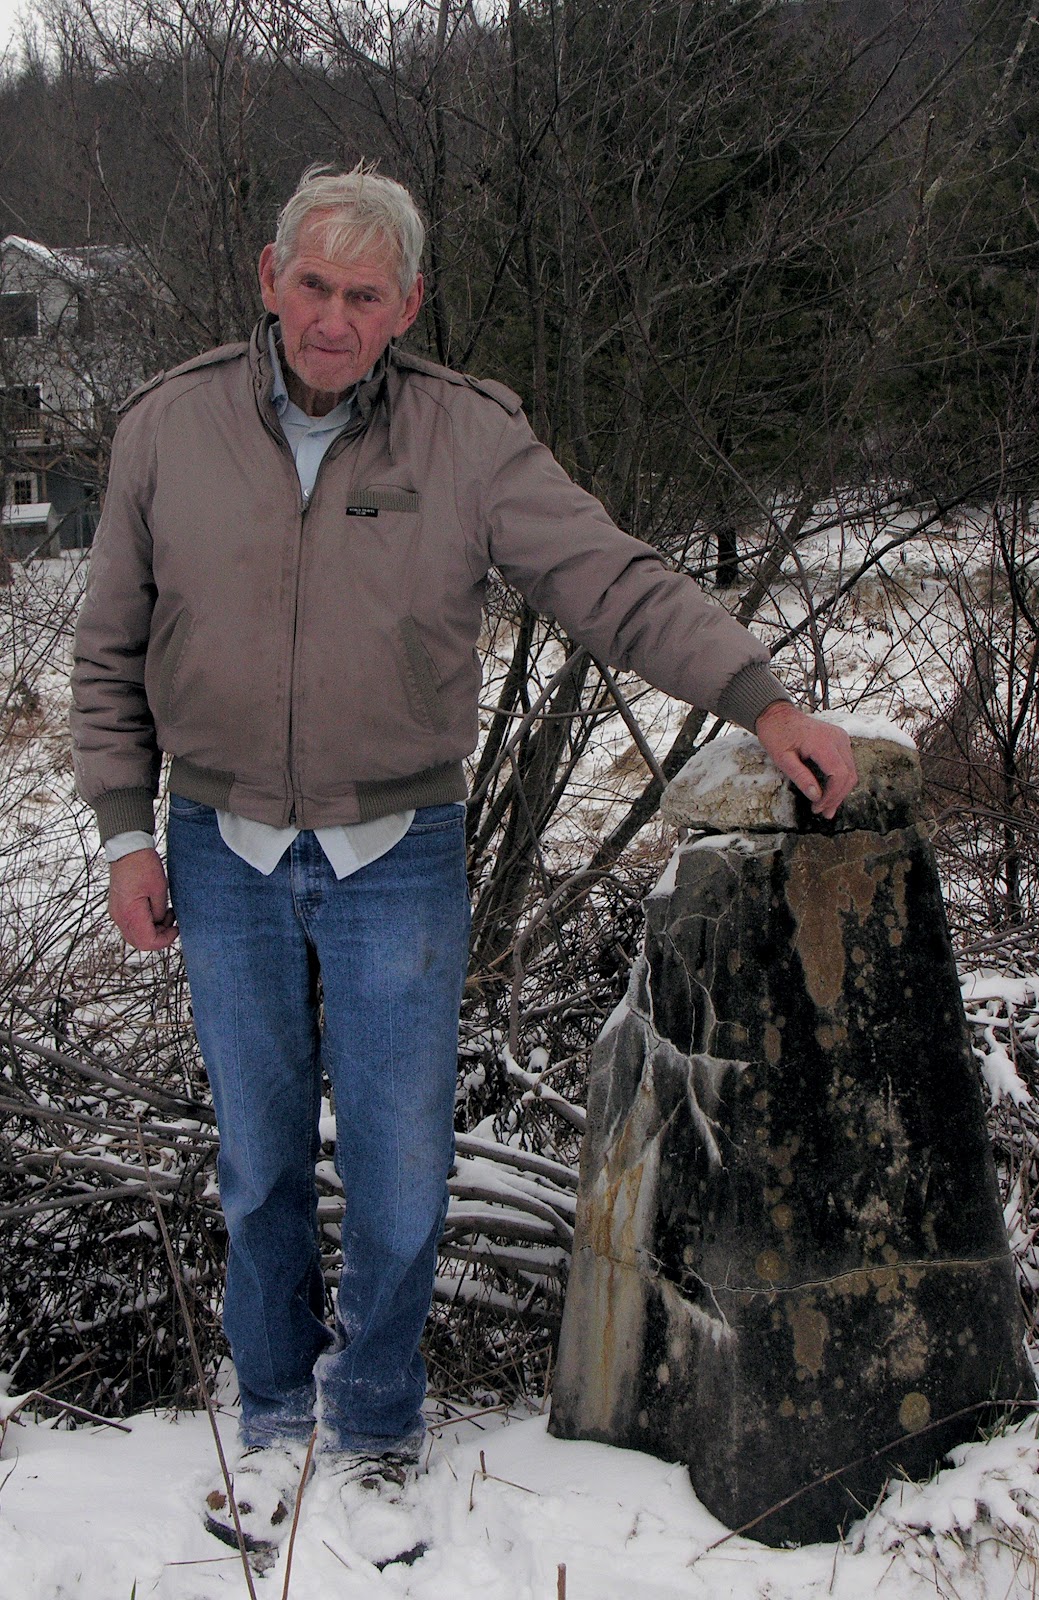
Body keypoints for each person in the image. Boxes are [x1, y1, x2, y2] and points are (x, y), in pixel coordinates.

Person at [70, 165, 857, 1553]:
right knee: (255, 1163)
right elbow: (110, 651)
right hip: (220, 845)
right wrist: (128, 831)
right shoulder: (165, 428)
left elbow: (610, 580)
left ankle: (372, 1422)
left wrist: (760, 695)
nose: (331, 318)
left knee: (400, 1169)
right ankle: (265, 1420)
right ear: (268, 279)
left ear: (407, 306)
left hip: (397, 852)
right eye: (311, 285)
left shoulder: (467, 438)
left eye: (364, 295)